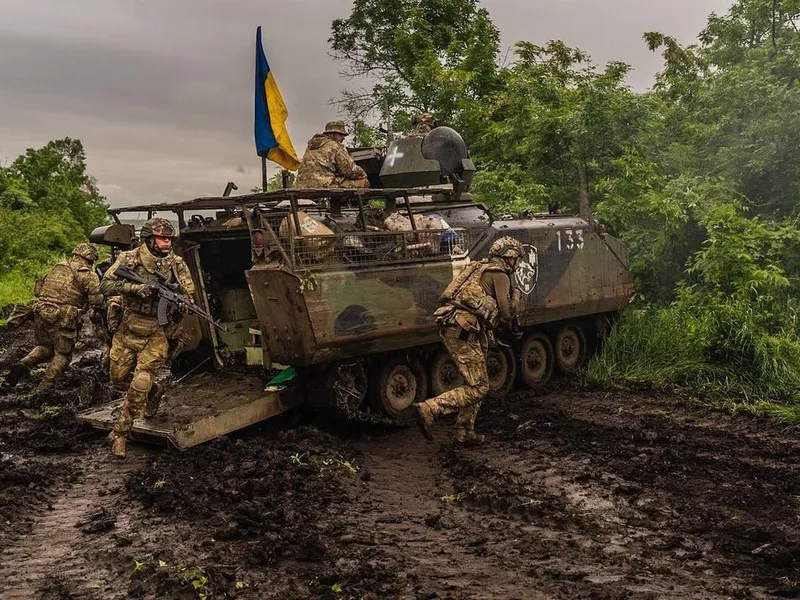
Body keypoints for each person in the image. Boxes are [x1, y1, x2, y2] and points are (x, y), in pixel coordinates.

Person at [100, 217, 196, 458]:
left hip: (156, 330)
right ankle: (155, 391)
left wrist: (185, 303)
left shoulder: (176, 263)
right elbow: (105, 285)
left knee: (140, 382)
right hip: (128, 328)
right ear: (149, 240)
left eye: (169, 239)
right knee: (118, 378)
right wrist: (134, 289)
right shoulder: (129, 259)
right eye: (162, 238)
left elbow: (189, 291)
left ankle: (121, 433)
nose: (167, 242)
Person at [414, 237, 524, 444]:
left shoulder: (478, 267)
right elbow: (507, 312)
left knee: (473, 381)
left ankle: (465, 432)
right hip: (463, 330)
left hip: (456, 326)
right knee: (480, 387)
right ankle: (430, 408)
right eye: (518, 259)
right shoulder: (500, 274)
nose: (518, 264)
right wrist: (517, 297)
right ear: (510, 257)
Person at [5, 244, 103, 395]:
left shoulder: (58, 267)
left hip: (41, 311)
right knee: (62, 355)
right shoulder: (88, 274)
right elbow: (96, 301)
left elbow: (39, 290)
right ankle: (43, 391)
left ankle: (21, 366)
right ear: (90, 259)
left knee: (44, 347)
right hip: (62, 317)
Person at [294, 121, 370, 189]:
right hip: (323, 186)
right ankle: (344, 204)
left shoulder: (311, 146)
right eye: (340, 134)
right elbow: (351, 170)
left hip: (302, 186)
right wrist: (364, 174)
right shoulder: (334, 146)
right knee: (364, 182)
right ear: (332, 134)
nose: (343, 138)